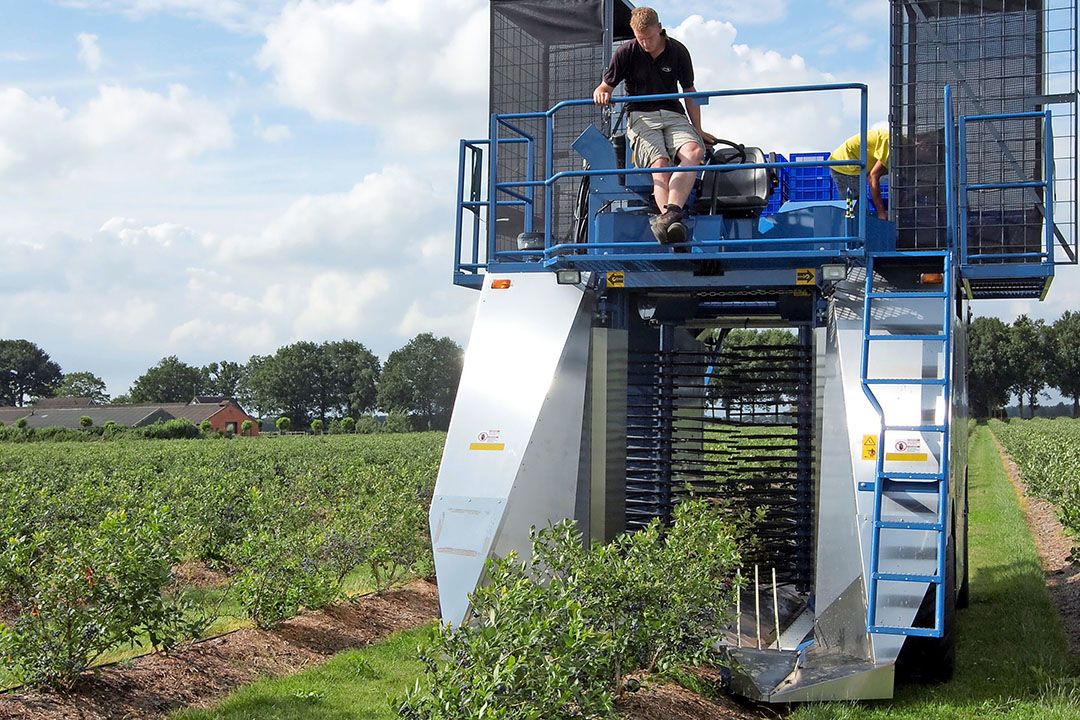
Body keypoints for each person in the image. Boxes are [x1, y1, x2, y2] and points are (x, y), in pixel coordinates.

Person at [593, 7, 717, 245]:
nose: (646, 43)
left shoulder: (678, 51)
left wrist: (698, 130)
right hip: (641, 115)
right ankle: (672, 219)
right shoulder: (626, 52)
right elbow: (604, 87)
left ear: (660, 29)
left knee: (695, 151)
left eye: (649, 38)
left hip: (673, 114)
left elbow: (689, 92)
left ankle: (668, 217)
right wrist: (600, 93)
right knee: (660, 163)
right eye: (640, 39)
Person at [829, 127, 889, 220]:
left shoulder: (900, 144)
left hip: (855, 164)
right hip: (846, 164)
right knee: (855, 209)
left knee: (858, 208)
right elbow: (873, 177)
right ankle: (848, 230)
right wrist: (881, 213)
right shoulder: (891, 145)